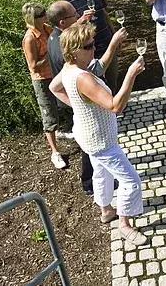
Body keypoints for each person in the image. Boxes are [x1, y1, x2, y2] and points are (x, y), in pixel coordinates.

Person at [49, 23, 148, 246]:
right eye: (88, 46)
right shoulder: (83, 78)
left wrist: (78, 107)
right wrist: (131, 75)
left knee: (101, 173)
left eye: (93, 43)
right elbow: (115, 106)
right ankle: (124, 225)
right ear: (73, 51)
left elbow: (54, 88)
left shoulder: (69, 68)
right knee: (130, 181)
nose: (94, 48)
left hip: (86, 136)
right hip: (101, 140)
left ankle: (105, 210)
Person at [47, 0, 127, 194]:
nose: (80, 15)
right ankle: (90, 185)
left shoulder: (60, 39)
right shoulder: (68, 52)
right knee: (92, 152)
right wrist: (129, 72)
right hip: (88, 117)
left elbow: (54, 85)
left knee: (93, 156)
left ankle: (100, 196)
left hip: (80, 105)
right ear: (63, 22)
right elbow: (111, 101)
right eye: (75, 14)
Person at [21, 2, 67, 170]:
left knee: (62, 105)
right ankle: (55, 152)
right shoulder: (30, 38)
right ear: (33, 19)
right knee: (48, 113)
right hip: (42, 80)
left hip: (55, 74)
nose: (45, 16)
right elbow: (33, 65)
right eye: (41, 15)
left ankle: (59, 133)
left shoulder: (47, 29)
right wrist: (51, 53)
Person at [62, 0, 118, 93]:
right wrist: (81, 20)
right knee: (95, 83)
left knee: (112, 78)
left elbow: (104, 12)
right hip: (87, 49)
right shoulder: (67, 1)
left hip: (106, 42)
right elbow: (67, 31)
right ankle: (102, 108)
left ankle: (115, 108)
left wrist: (113, 33)